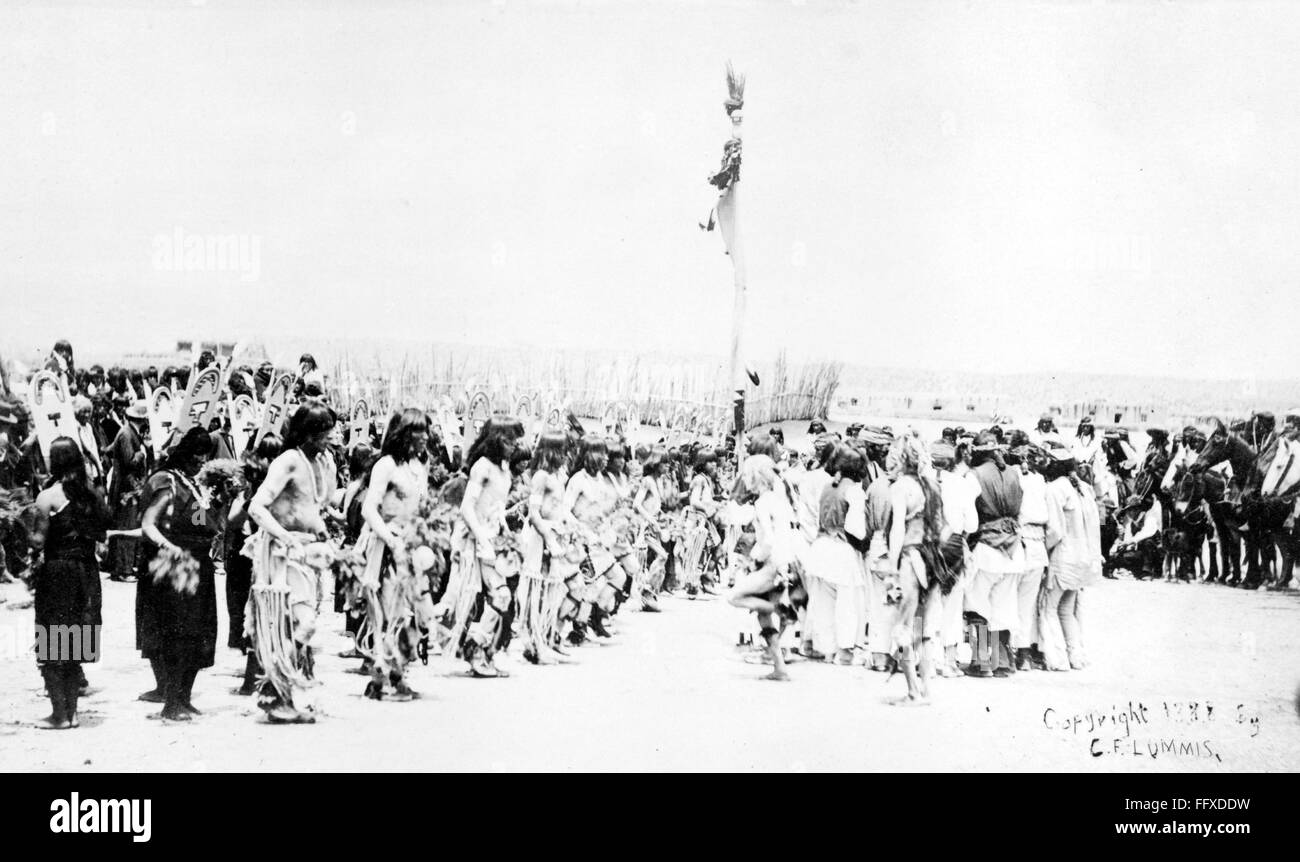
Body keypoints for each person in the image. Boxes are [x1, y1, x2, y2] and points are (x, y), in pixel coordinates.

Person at [245, 401, 339, 723]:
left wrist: (322, 530)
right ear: (309, 433)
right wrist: (285, 538)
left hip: (309, 555)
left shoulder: (321, 462)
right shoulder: (288, 460)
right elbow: (257, 508)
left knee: (297, 627)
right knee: (302, 625)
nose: (331, 437)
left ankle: (281, 697)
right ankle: (272, 690)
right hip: (284, 557)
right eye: (326, 432)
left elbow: (310, 506)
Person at [28, 438, 110, 729]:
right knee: (74, 641)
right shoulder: (93, 494)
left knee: (52, 642)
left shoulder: (48, 497)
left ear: (55, 462)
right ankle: (73, 713)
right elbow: (102, 535)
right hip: (86, 574)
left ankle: (59, 715)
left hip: (58, 574)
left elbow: (37, 541)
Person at [137, 427, 218, 721]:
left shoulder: (193, 484)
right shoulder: (164, 480)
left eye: (204, 457)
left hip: (199, 563)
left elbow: (201, 521)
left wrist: (220, 501)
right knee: (178, 633)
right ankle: (171, 701)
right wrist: (169, 547)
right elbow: (149, 523)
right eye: (196, 456)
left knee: (199, 633)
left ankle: (184, 697)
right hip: (175, 566)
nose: (200, 461)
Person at [355, 408, 435, 700]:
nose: (425, 436)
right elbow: (369, 509)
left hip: (412, 550)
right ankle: (385, 678)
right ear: (404, 434)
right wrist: (390, 540)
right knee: (391, 615)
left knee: (419, 616)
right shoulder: (385, 465)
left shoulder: (419, 466)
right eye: (418, 431)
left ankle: (394, 674)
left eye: (427, 430)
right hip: (387, 549)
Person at [436, 416, 525, 677]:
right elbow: (466, 508)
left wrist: (504, 533)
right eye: (509, 441)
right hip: (471, 541)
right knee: (456, 600)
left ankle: (479, 646)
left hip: (491, 539)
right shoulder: (483, 467)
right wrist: (482, 538)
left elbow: (496, 507)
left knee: (502, 596)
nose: (514, 446)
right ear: (496, 440)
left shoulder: (504, 469)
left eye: (516, 441)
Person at [726, 454, 802, 680]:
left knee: (734, 596)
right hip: (787, 562)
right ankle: (779, 667)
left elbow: (767, 540)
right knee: (762, 614)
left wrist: (755, 558)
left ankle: (782, 611)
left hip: (771, 563)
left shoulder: (761, 503)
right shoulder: (780, 500)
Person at [884, 431, 945, 704]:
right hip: (932, 557)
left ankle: (912, 691)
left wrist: (892, 568)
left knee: (902, 627)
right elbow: (943, 528)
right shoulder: (931, 485)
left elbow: (897, 529)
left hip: (911, 558)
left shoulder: (900, 488)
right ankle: (927, 689)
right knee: (924, 629)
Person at [964, 430, 1024, 678]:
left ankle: (981, 661)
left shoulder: (974, 475)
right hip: (1013, 548)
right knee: (1004, 606)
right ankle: (1002, 663)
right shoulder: (1013, 473)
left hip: (987, 547)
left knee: (977, 604)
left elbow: (970, 516)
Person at [225, 433, 282, 696]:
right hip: (262, 554)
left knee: (253, 613)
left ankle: (254, 679)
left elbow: (231, 520)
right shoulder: (275, 484)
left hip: (253, 554)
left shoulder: (255, 487)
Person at [803, 443, 869, 665]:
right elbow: (855, 528)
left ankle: (828, 649)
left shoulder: (828, 487)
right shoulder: (854, 491)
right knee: (847, 604)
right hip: (842, 550)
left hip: (821, 546)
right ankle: (845, 651)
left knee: (824, 603)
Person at [518, 431, 581, 664]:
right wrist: (550, 539)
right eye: (563, 450)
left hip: (557, 536)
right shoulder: (541, 477)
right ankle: (535, 645)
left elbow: (561, 508)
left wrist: (577, 527)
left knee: (566, 589)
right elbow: (534, 513)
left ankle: (549, 635)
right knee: (540, 593)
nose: (567, 454)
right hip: (541, 539)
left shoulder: (558, 475)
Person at [1041, 444, 1101, 670]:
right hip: (1084, 557)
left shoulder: (1055, 489)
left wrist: (1045, 549)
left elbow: (1055, 530)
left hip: (1063, 557)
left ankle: (1058, 658)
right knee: (1067, 610)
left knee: (1049, 609)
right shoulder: (1085, 488)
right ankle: (1076, 655)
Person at [932, 440, 977, 678]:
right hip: (954, 545)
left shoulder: (924, 482)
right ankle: (949, 661)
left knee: (929, 604)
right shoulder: (960, 484)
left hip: (928, 546)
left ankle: (929, 659)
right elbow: (972, 524)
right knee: (953, 604)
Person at [106, 400, 152, 582]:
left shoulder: (129, 432)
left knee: (128, 526)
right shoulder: (126, 434)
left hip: (128, 487)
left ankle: (124, 566)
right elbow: (129, 461)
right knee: (126, 527)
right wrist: (142, 453)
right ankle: (123, 569)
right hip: (126, 489)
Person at [1107, 494, 1164, 580]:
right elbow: (1127, 539)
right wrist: (1122, 545)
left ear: (1138, 509)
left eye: (1131, 510)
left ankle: (1148, 571)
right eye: (1128, 511)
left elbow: (1146, 532)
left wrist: (1131, 541)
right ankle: (1133, 570)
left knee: (1147, 542)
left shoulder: (1149, 517)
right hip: (1141, 552)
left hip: (1155, 553)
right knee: (1122, 554)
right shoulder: (1131, 524)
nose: (1129, 513)